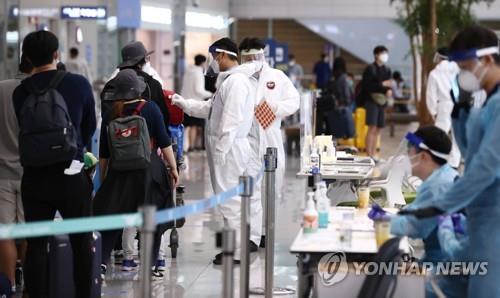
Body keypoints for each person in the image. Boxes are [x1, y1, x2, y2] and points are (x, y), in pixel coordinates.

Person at [12, 30, 96, 298]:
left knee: (36, 244)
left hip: (34, 177)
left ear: (26, 58)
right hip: (71, 173)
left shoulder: (20, 92)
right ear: (57, 54)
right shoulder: (79, 84)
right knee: (81, 241)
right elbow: (89, 128)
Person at [418, 25, 500, 298]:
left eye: (465, 67)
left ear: (487, 60)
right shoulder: (485, 104)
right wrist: (461, 108)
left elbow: (485, 166)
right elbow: (467, 152)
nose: (462, 75)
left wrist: (444, 204)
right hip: (482, 217)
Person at [172, 37, 261, 264]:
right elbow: (210, 109)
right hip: (227, 147)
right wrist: (184, 104)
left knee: (229, 202)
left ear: (222, 55)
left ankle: (236, 252)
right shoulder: (229, 81)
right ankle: (235, 248)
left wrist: (221, 148)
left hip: (229, 149)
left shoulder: (236, 82)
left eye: (214, 57)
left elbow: (231, 119)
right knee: (229, 202)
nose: (213, 62)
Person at [93, 69, 179, 279]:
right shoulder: (150, 108)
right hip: (148, 171)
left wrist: (104, 177)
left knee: (112, 216)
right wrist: (174, 167)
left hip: (119, 171)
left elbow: (104, 151)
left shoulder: (111, 112)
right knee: (154, 217)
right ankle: (149, 264)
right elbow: (164, 140)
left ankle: (102, 263)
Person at [370, 126, 461, 298]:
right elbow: (413, 213)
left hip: (446, 273)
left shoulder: (438, 186)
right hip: (438, 262)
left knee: (388, 285)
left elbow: (412, 226)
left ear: (424, 156)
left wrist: (381, 220)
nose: (407, 156)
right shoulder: (443, 176)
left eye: (410, 151)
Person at [238, 37, 300, 246]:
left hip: (271, 140)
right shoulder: (238, 79)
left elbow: (294, 101)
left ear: (262, 56)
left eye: (255, 57)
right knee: (251, 191)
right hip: (248, 142)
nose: (252, 61)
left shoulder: (277, 77)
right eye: (247, 58)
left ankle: (266, 231)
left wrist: (274, 108)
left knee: (272, 188)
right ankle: (252, 237)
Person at [0, 56, 32, 294]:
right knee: (29, 232)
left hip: (1, 174)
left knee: (5, 233)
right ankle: (30, 286)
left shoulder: (1, 88)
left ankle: (8, 287)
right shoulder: (39, 91)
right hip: (30, 173)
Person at [426, 47, 461, 169]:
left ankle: (438, 161)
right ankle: (454, 164)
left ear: (439, 57)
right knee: (457, 137)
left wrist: (433, 111)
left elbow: (431, 95)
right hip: (458, 105)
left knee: (439, 135)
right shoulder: (457, 69)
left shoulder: (434, 73)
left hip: (444, 106)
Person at [361, 45, 392, 159]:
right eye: (383, 53)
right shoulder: (370, 69)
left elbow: (389, 85)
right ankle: (368, 154)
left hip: (382, 101)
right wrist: (382, 86)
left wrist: (388, 90)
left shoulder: (387, 69)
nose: (385, 56)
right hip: (372, 101)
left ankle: (374, 154)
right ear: (376, 55)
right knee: (372, 127)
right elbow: (367, 86)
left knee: (378, 128)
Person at [181, 54, 213, 152]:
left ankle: (188, 146)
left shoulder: (188, 71)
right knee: (194, 126)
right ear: (203, 63)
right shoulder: (198, 73)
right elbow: (199, 90)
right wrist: (211, 94)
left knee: (189, 126)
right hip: (195, 103)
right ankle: (192, 146)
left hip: (186, 101)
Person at [326, 57, 355, 139]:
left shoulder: (333, 77)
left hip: (333, 110)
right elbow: (348, 95)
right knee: (344, 134)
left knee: (335, 135)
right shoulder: (344, 78)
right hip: (343, 110)